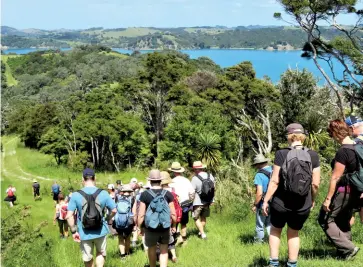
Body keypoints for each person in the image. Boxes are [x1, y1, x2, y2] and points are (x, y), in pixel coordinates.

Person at [262, 123, 320, 267]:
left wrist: (265, 200)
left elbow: (275, 180)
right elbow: (315, 184)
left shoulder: (281, 153)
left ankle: (273, 263)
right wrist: (312, 199)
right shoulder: (313, 155)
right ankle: (292, 264)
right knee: (294, 233)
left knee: (275, 230)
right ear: (303, 136)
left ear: (289, 136)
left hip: (281, 202)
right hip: (302, 204)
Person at [318, 120, 360, 260]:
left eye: (331, 134)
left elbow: (335, 177)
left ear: (336, 133)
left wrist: (328, 199)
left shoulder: (343, 151)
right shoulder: (358, 147)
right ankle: (345, 254)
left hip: (344, 190)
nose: (331, 137)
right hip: (355, 191)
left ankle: (349, 248)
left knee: (324, 218)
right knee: (343, 219)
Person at [66, 168, 117, 267]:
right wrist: (107, 219)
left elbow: (69, 216)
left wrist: (73, 231)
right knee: (100, 253)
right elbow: (114, 210)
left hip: (84, 232)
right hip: (101, 230)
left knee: (87, 257)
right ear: (95, 178)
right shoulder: (103, 193)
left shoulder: (76, 195)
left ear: (82, 179)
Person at [138, 170, 177, 267]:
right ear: (161, 181)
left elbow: (141, 215)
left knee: (152, 249)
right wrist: (174, 225)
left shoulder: (145, 194)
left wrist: (140, 228)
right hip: (165, 226)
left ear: (150, 181)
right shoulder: (168, 194)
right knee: (164, 250)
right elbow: (173, 214)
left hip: (150, 227)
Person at [168, 161, 195, 245]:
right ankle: (184, 239)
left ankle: (174, 239)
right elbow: (192, 193)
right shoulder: (186, 180)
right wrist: (191, 201)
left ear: (173, 171)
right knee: (184, 222)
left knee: (174, 222)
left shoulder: (171, 182)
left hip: (175, 205)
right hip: (185, 204)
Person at [191, 161, 215, 240]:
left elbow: (192, 191)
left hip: (197, 202)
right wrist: (212, 200)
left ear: (195, 169)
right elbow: (213, 189)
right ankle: (200, 232)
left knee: (195, 218)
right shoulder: (210, 176)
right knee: (203, 217)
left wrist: (190, 201)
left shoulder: (195, 178)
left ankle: (203, 234)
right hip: (207, 201)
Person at [251, 154, 272, 243]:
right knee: (270, 224)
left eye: (256, 165)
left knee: (260, 225)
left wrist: (255, 205)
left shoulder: (259, 175)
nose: (256, 167)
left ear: (259, 164)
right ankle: (272, 241)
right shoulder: (274, 170)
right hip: (275, 202)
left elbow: (259, 193)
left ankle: (258, 243)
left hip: (263, 203)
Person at [113, 184, 135, 260]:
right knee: (128, 237)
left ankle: (122, 256)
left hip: (118, 220)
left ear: (123, 191)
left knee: (120, 237)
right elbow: (134, 211)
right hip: (129, 221)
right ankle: (127, 253)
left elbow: (114, 208)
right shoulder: (132, 198)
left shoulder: (117, 197)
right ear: (130, 191)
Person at [161, 171, 178, 263]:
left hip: (158, 220)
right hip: (170, 218)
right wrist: (174, 224)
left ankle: (161, 256)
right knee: (171, 239)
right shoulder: (172, 191)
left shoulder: (154, 192)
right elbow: (173, 210)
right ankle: (174, 256)